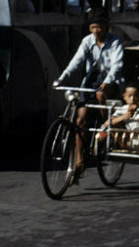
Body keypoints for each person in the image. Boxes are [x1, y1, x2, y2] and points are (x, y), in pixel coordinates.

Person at [52, 11, 124, 178]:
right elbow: (76, 62)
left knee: (100, 96)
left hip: (110, 82)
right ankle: (79, 160)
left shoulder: (115, 42)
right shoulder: (87, 41)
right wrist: (62, 78)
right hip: (90, 82)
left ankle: (106, 127)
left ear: (106, 27)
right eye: (93, 27)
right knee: (80, 119)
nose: (96, 30)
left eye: (99, 26)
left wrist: (107, 82)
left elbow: (116, 66)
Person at [100, 84, 139, 152]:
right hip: (126, 139)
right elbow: (107, 124)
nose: (132, 98)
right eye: (130, 96)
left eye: (136, 96)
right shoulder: (122, 109)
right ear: (124, 97)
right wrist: (124, 117)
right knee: (113, 125)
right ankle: (125, 148)